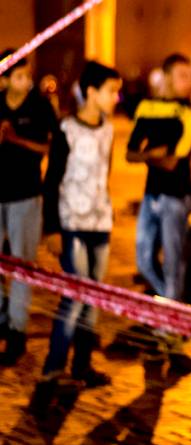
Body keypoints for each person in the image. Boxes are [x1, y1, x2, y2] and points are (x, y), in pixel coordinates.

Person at [39, 61, 122, 388]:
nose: (116, 98)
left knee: (93, 297)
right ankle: (52, 367)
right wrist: (53, 229)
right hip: (71, 222)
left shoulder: (109, 129)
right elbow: (52, 180)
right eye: (111, 91)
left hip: (99, 223)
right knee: (74, 294)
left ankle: (82, 365)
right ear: (91, 91)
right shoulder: (66, 129)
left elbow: (106, 172)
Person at [127, 53, 191, 304]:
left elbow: (172, 162)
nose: (189, 81)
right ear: (167, 77)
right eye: (183, 76)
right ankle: (172, 308)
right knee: (143, 260)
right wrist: (155, 154)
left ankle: (170, 318)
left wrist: (146, 154)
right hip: (151, 194)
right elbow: (129, 153)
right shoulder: (147, 107)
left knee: (174, 263)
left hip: (177, 196)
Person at [0, 50, 57, 365]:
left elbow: (49, 146)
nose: (26, 81)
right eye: (18, 76)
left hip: (26, 195)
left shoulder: (39, 106)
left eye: (27, 75)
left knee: (21, 265)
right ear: (5, 78)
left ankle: (17, 331)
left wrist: (17, 139)